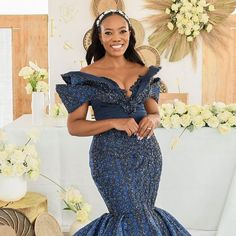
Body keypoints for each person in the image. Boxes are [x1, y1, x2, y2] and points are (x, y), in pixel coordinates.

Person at [56, 9, 191, 236]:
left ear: (130, 34)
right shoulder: (86, 74)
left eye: (122, 31)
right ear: (99, 37)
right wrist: (113, 122)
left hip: (146, 155)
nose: (116, 38)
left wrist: (153, 119)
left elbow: (155, 112)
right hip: (109, 158)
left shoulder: (143, 70)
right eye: (108, 33)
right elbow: (74, 126)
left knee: (143, 213)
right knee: (129, 214)